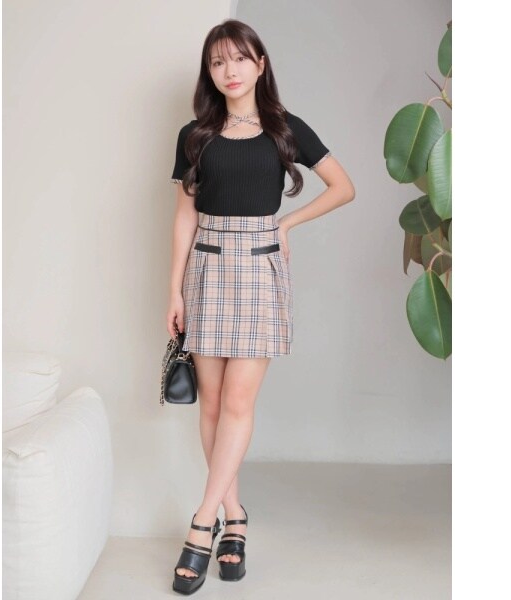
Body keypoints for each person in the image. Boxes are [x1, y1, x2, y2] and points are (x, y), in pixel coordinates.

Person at [166, 18, 355, 595]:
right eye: (218, 61)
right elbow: (185, 215)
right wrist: (173, 290)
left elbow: (343, 186)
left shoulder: (284, 128)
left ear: (260, 64)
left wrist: (286, 223)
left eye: (240, 59)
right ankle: (236, 517)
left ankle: (203, 524)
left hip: (258, 269)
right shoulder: (194, 135)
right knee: (211, 404)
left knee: (238, 403)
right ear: (209, 71)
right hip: (206, 267)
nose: (230, 70)